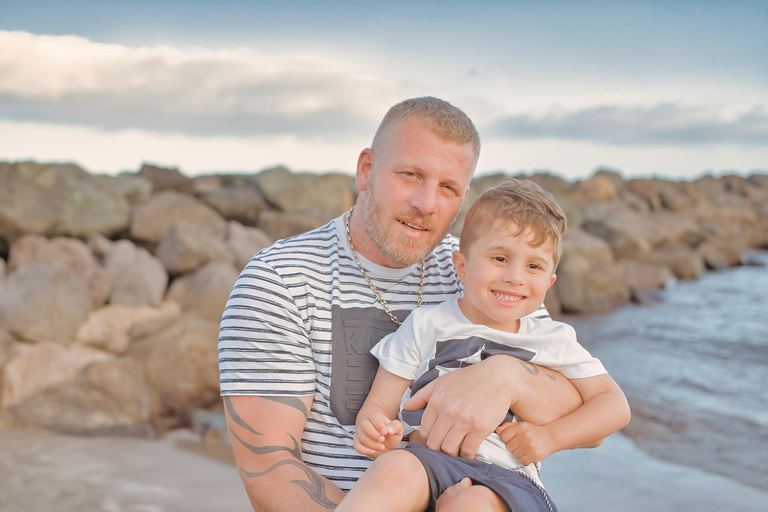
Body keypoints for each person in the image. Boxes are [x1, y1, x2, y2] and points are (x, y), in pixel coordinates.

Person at [218, 97, 586, 511]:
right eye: (410, 175)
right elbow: (270, 470)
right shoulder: (281, 280)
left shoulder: (490, 274)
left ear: (463, 197)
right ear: (366, 169)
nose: (426, 203)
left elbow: (586, 411)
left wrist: (506, 377)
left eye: (447, 188)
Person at [337, 179, 631, 512]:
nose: (515, 277)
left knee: (473, 505)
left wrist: (552, 438)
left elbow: (614, 406)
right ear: (462, 265)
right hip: (424, 459)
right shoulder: (425, 325)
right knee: (393, 469)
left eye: (533, 266)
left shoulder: (552, 339)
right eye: (500, 258)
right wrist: (377, 431)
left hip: (508, 477)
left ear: (549, 282)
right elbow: (379, 406)